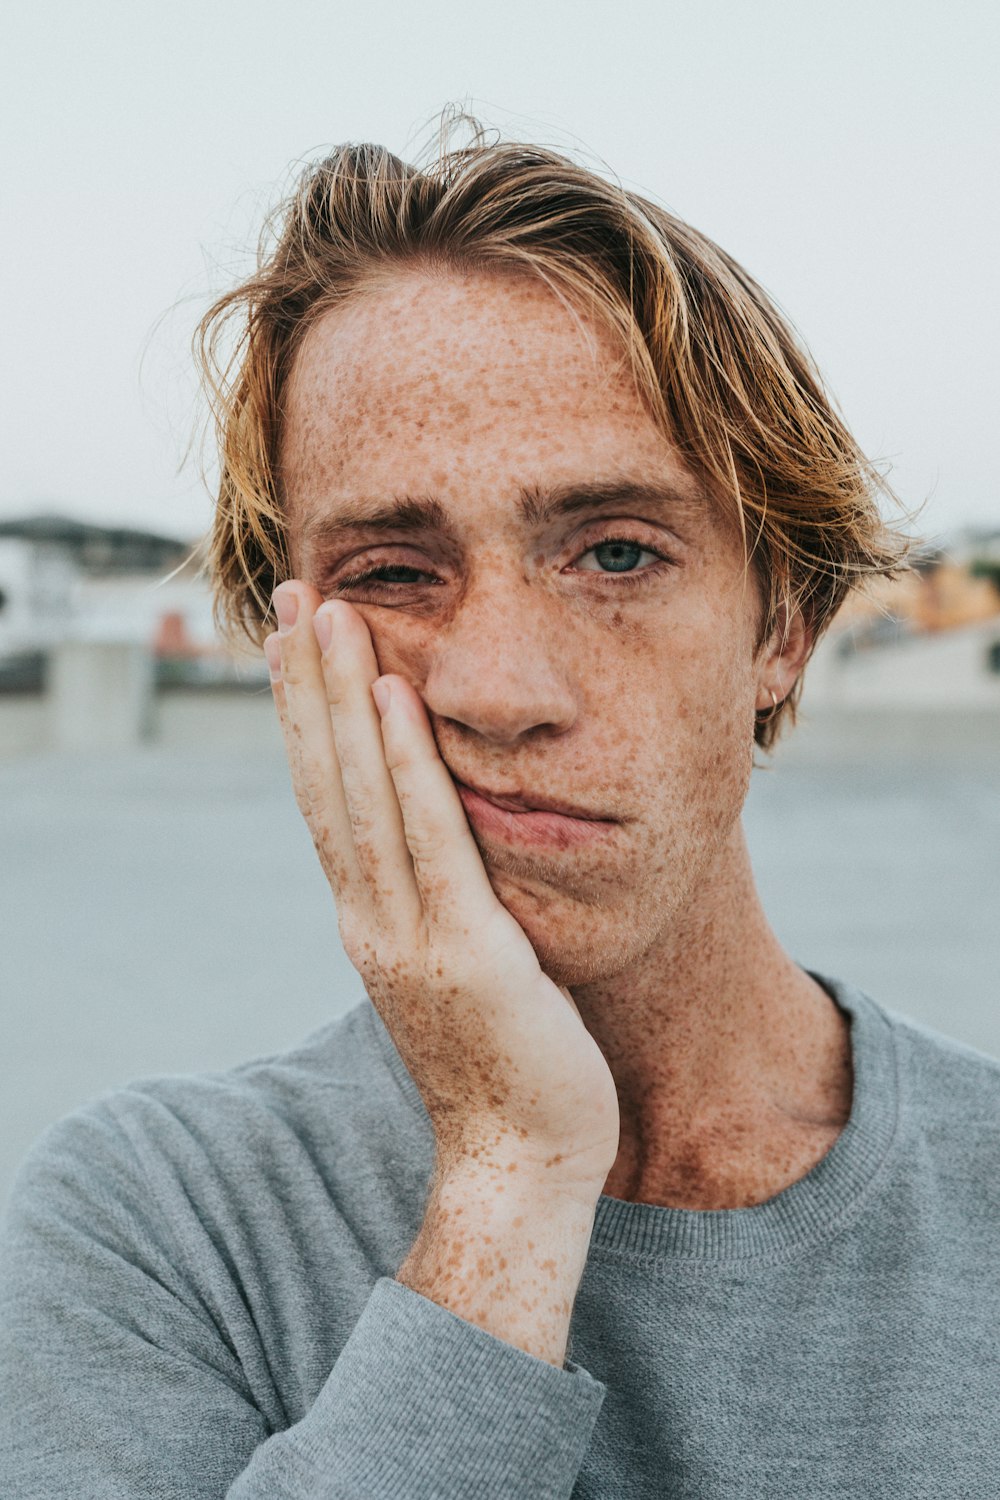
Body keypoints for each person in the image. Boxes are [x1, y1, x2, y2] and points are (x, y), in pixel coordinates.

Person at [2, 116, 998, 1498]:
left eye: (616, 552)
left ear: (787, 625)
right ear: (294, 652)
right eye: (395, 572)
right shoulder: (157, 1223)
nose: (499, 689)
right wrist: (507, 1172)